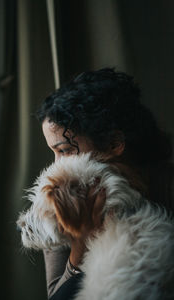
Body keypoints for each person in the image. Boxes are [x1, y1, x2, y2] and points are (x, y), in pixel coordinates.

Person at [36, 68, 174, 299]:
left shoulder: (166, 185)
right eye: (54, 153)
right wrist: (80, 245)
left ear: (113, 143)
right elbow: (56, 296)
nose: (57, 166)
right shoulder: (61, 203)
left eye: (65, 150)